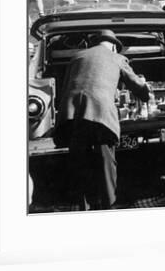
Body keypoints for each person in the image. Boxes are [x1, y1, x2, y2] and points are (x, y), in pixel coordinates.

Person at [56, 30, 151, 210]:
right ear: (114, 45)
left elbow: (67, 85)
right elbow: (137, 85)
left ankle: (82, 208)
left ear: (95, 42)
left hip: (72, 114)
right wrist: (146, 95)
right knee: (106, 163)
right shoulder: (116, 58)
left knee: (79, 164)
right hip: (100, 115)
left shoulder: (77, 56)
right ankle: (109, 207)